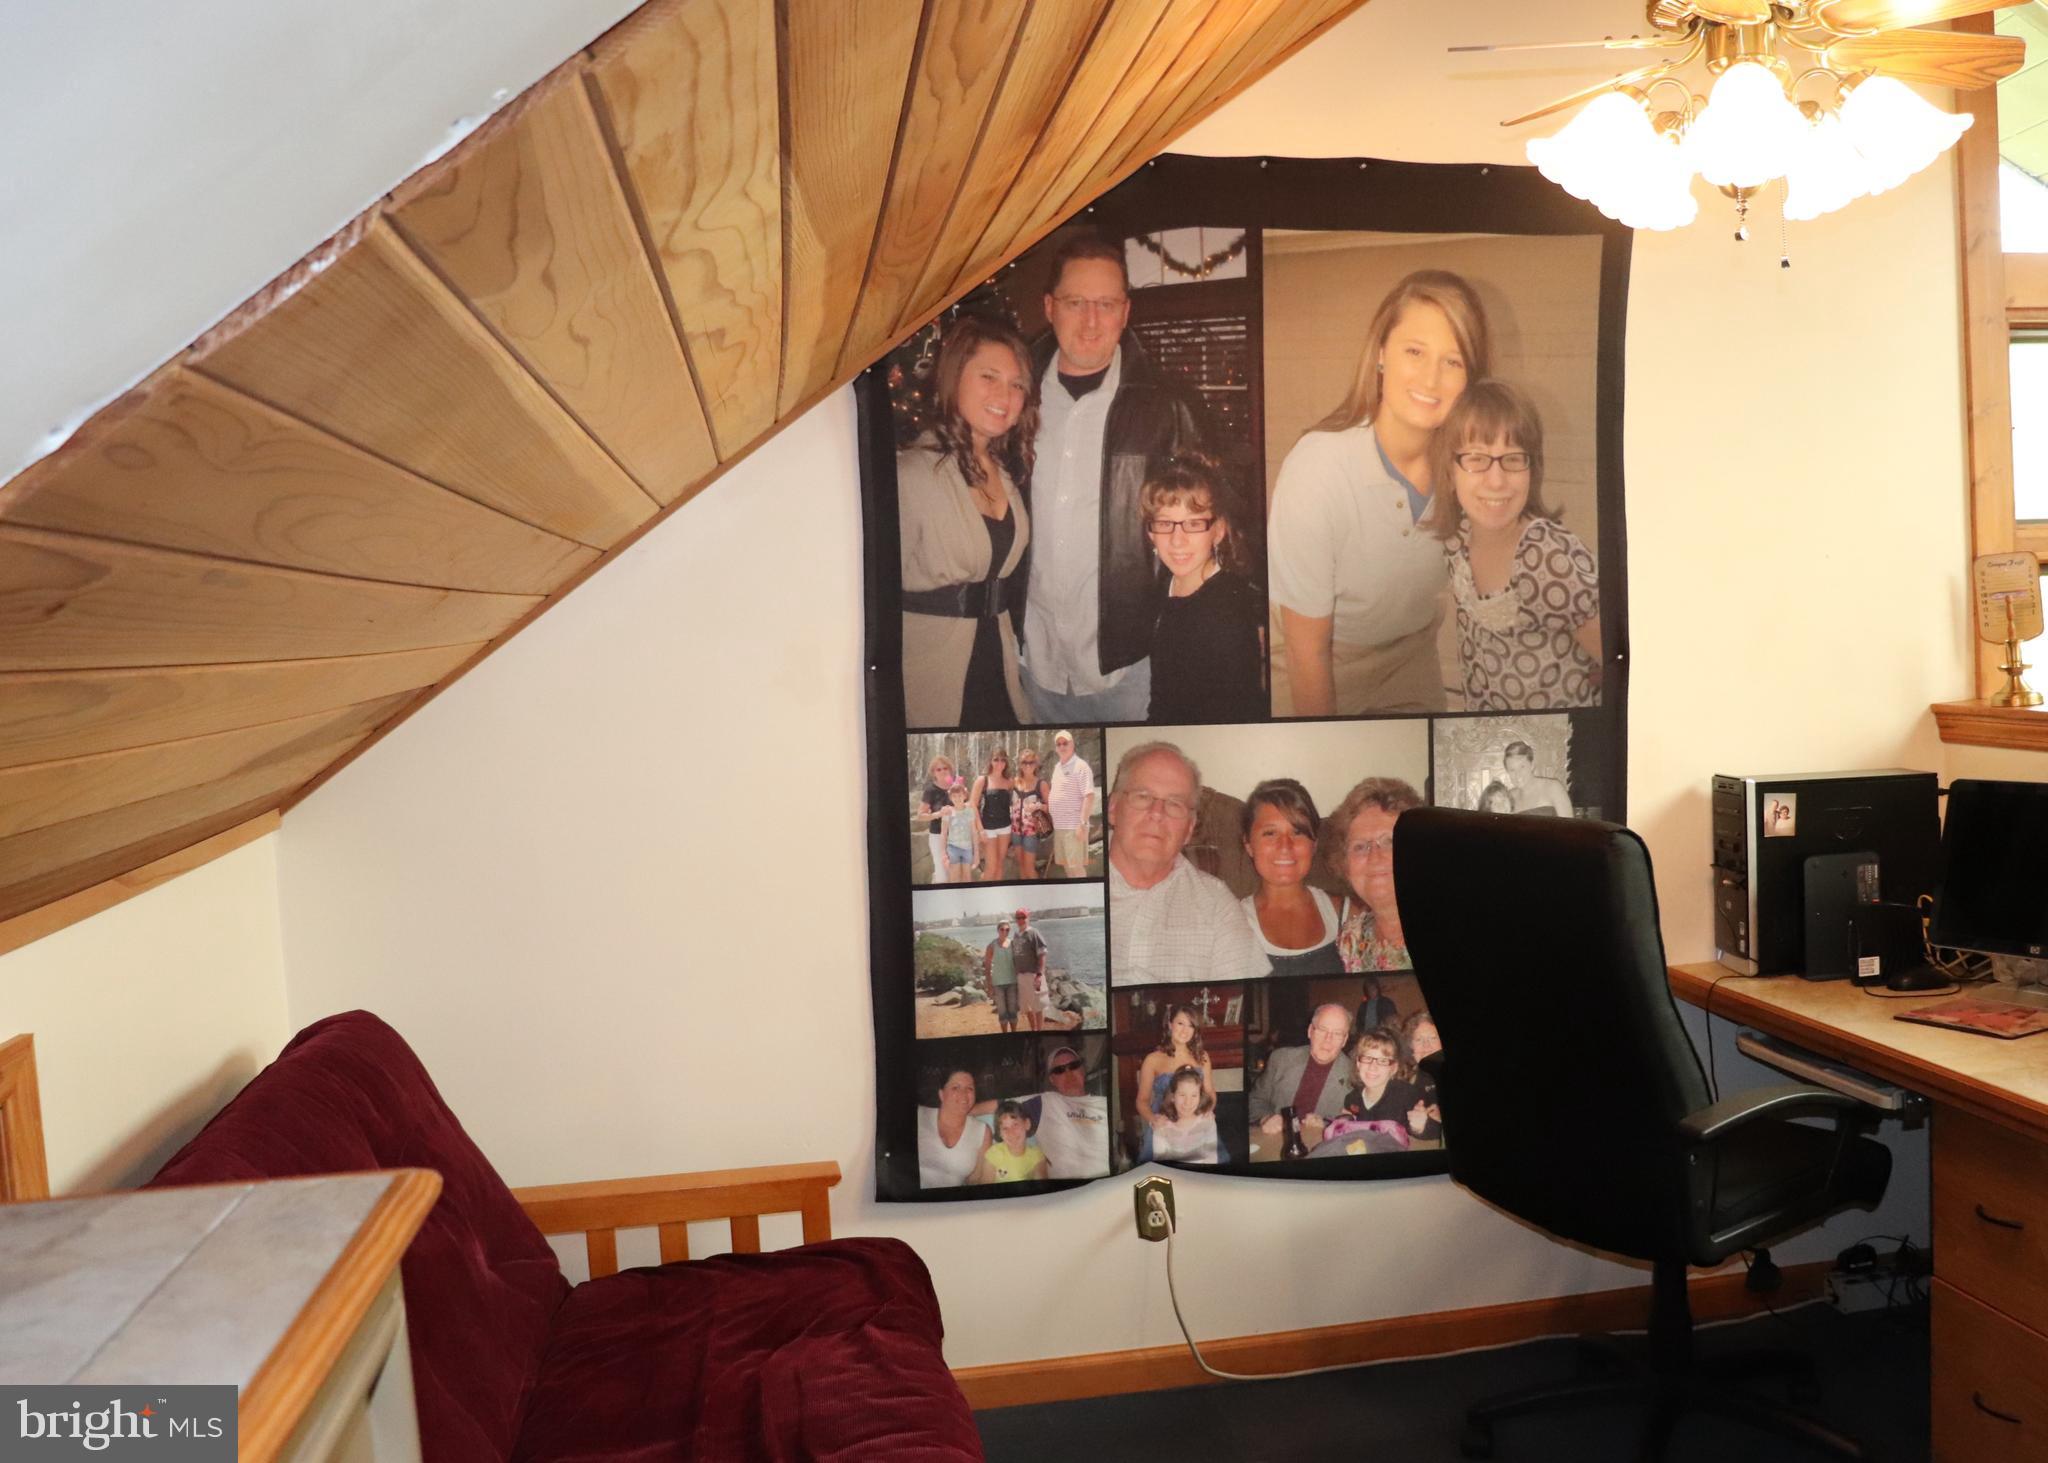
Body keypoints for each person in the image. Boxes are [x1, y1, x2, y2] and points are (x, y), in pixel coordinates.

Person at [1268, 270, 1493, 715]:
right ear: (1381, 354)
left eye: (1453, 361)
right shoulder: (1318, 469)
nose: (1431, 380)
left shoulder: (1471, 471)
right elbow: (1306, 652)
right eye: (1415, 351)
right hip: (1323, 660)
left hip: (1411, 657)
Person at [1022, 232, 1205, 723]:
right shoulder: (1011, 400)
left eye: (1105, 304)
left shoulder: (1167, 405)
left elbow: (1210, 530)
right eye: (1076, 302)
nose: (1091, 320)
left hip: (1128, 667)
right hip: (1028, 665)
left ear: (1125, 312)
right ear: (1049, 307)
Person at [1426, 379, 1600, 710]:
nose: (1496, 480)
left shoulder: (1546, 557)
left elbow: (1627, 662)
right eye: (1476, 458)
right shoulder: (1457, 540)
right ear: (1450, 471)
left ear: (1532, 470)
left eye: (1513, 458)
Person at [898, 315, 1037, 727]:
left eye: (1017, 385)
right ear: (954, 377)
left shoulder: (1007, 473)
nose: (1005, 395)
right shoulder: (909, 474)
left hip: (997, 660)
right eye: (989, 377)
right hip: (929, 668)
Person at [1107, 742, 1270, 985]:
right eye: (1143, 796)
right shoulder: (1069, 882)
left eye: (1174, 804)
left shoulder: (1217, 904)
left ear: (1189, 829)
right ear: (1113, 808)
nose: (1157, 813)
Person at [1140, 453, 1264, 722]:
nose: (1177, 541)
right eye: (1164, 524)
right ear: (1150, 532)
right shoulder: (1166, 582)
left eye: (1194, 524)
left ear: (1218, 531)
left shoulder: (1226, 614)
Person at [1238, 778, 1341, 977]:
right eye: (1270, 833)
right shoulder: (1231, 922)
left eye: (1298, 832)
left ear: (1314, 844)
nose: (1285, 846)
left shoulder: (1346, 915)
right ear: (1249, 844)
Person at [1327, 776, 1424, 973]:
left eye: (1389, 842)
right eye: (1360, 846)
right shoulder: (1350, 940)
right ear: (1345, 864)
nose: (1375, 857)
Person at [1249, 1004, 1356, 1152]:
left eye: (1337, 1033)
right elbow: (1254, 1100)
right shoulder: (1280, 1059)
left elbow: (1358, 1124)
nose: (1328, 1039)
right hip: (1274, 1145)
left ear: (1344, 1040)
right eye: (1323, 1030)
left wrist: (1326, 1126)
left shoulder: (1356, 1075)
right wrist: (1266, 1118)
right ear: (1310, 1031)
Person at [1013, 1045, 1110, 1179]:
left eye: (1073, 1065)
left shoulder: (1105, 1103)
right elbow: (998, 1106)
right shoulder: (1045, 1102)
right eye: (1059, 1070)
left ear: (1083, 1069)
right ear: (1052, 1079)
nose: (1068, 1074)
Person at [1135, 1004, 1216, 1140]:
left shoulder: (1202, 1056)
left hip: (1196, 1126)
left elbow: (1210, 1092)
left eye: (1191, 1025)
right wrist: (1153, 1119)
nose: (1185, 1030)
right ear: (1170, 1024)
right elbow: (1141, 1100)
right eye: (1180, 1023)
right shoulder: (1152, 1059)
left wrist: (1207, 1112)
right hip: (1165, 1128)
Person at [1340, 1028, 1431, 1138]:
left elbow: (1436, 1130)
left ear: (1393, 1068)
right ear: (1358, 1063)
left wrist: (1419, 1127)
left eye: (1383, 1061)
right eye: (1367, 1058)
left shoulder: (1407, 1095)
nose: (1373, 1067)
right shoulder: (1351, 1099)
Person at [917, 1068, 991, 1188]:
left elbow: (975, 1181)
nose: (964, 1094)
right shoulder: (919, 1115)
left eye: (970, 1088)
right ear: (941, 1094)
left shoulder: (982, 1132)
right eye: (955, 1087)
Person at [1047, 731, 1096, 878]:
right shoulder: (1057, 767)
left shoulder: (1081, 766)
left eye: (1065, 743)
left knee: (1076, 868)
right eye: (1059, 744)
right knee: (1067, 868)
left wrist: (1082, 824)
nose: (1062, 747)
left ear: (1072, 745)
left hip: (1073, 827)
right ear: (1056, 748)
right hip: (1059, 827)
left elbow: (1089, 795)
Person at [1150, 1067, 1221, 1164]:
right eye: (1182, 1095)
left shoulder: (1207, 1121)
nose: (1188, 1102)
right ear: (1172, 1097)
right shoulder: (1162, 1126)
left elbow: (1212, 1158)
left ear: (1200, 1097)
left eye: (1194, 1095)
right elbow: (1161, 1161)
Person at [972, 1100, 1051, 1183]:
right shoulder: (994, 1153)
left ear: (1027, 1124)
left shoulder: (1037, 1155)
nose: (1011, 1132)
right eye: (1005, 1128)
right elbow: (985, 1188)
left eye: (1015, 1125)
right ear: (1000, 1133)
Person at [970, 748, 1016, 882]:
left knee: (1000, 864)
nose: (999, 763)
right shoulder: (982, 780)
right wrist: (980, 830)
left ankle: (997, 895)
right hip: (988, 828)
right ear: (990, 761)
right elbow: (972, 805)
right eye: (996, 759)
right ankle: (981, 896)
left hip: (1005, 827)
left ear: (1006, 763)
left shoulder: (1009, 781)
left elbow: (1015, 803)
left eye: (1003, 760)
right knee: (991, 867)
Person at [1398, 1009, 1444, 1141]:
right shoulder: (1408, 1080)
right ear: (1411, 1047)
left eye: (1433, 1038)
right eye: (1419, 1039)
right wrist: (1420, 1126)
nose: (1427, 1045)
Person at [914, 753, 957, 883]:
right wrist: (938, 814)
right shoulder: (930, 790)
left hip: (958, 835)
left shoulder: (957, 787)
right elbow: (920, 815)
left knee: (955, 873)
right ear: (934, 773)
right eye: (939, 769)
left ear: (950, 769)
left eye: (945, 768)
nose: (943, 771)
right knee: (942, 872)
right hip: (938, 835)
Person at [1011, 748, 1052, 880]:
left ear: (1036, 764)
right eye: (1024, 762)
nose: (1028, 765)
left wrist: (1039, 806)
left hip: (1031, 831)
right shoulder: (1014, 781)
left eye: (1031, 762)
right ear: (1020, 764)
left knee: (1029, 868)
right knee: (1021, 865)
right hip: (1015, 831)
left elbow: (1051, 807)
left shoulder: (1041, 784)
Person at [1503, 741, 1574, 817]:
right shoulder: (1509, 797)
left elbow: (1569, 826)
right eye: (1512, 770)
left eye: (1522, 767)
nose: (1517, 774)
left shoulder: (1553, 788)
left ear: (1532, 765)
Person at [981, 919, 1020, 1033]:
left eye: (1007, 930)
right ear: (998, 930)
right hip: (998, 984)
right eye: (1002, 929)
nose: (1004, 932)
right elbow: (987, 967)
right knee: (1002, 1012)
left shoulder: (1013, 944)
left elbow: (1018, 962)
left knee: (1013, 1011)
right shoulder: (991, 946)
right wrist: (989, 985)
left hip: (1012, 982)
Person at [940, 781, 977, 882]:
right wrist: (943, 853)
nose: (957, 798)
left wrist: (976, 854)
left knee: (967, 877)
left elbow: (974, 832)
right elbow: (943, 833)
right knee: (954, 877)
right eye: (954, 796)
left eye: (960, 795)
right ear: (950, 798)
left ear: (965, 796)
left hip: (967, 848)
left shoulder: (969, 811)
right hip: (953, 848)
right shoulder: (948, 812)